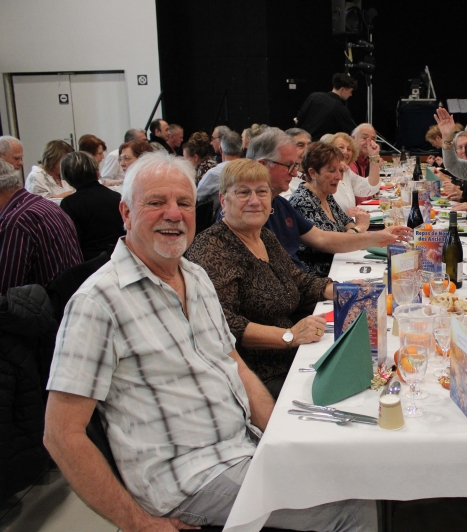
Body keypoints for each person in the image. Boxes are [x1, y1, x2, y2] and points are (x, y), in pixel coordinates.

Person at [43, 151, 376, 531]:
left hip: (240, 445)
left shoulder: (194, 276)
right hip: (189, 478)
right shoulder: (97, 304)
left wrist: (279, 435)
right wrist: (139, 524)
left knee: (351, 462)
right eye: (156, 203)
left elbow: (232, 361)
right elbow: (62, 435)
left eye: (183, 203)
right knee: (350, 504)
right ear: (126, 213)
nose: (173, 214)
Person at [186, 158, 334, 396]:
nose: (255, 201)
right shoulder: (212, 248)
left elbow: (298, 281)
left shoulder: (263, 236)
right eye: (243, 192)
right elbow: (224, 325)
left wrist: (341, 289)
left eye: (262, 192)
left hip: (293, 357)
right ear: (224, 200)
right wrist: (290, 336)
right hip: (255, 376)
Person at [248, 128, 409, 272]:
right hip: (321, 276)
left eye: (295, 166)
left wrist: (378, 236)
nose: (293, 173)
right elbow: (327, 243)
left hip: (315, 282)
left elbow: (324, 237)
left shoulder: (281, 204)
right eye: (289, 166)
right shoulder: (294, 203)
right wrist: (366, 232)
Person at [0, 160, 82, 295]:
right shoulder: (46, 205)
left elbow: (6, 290)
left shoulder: (16, 222)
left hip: (43, 308)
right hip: (68, 298)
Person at [290, 143, 371, 276]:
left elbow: (346, 221)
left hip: (341, 266)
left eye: (340, 170)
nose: (339, 176)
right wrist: (360, 228)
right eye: (332, 171)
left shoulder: (325, 194)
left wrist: (351, 231)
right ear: (313, 173)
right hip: (321, 278)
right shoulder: (302, 202)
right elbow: (333, 245)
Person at [59, 152, 125, 260]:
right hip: (120, 257)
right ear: (96, 171)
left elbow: (71, 242)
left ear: (67, 178)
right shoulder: (116, 197)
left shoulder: (69, 203)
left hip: (89, 264)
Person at [325, 132, 380, 211]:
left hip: (351, 222)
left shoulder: (347, 172)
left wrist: (374, 156)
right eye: (341, 147)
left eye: (349, 149)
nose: (345, 152)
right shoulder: (323, 174)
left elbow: (370, 187)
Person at [296, 73, 358, 140]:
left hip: (303, 140)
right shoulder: (340, 109)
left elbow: (299, 118)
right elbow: (350, 132)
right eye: (350, 91)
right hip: (321, 146)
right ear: (342, 90)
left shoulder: (314, 96)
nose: (350, 95)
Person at [197, 130, 242, 202]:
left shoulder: (213, 174)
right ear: (242, 150)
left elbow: (197, 197)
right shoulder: (252, 172)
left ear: (221, 149)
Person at [282, 127, 313, 198]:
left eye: (309, 145)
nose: (307, 150)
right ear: (286, 149)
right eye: (300, 145)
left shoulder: (316, 175)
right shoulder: (284, 180)